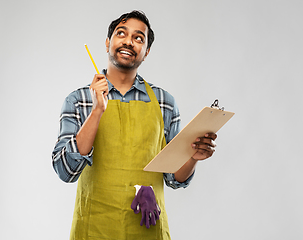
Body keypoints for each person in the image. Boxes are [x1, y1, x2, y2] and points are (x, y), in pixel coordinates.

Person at [52, 10, 217, 240]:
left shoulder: (164, 103)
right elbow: (65, 171)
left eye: (139, 38)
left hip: (148, 230)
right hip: (94, 229)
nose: (129, 41)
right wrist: (97, 110)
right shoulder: (79, 100)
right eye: (122, 33)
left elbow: (174, 178)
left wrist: (193, 157)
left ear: (146, 52)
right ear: (108, 42)